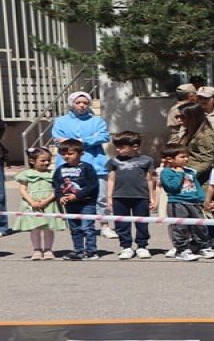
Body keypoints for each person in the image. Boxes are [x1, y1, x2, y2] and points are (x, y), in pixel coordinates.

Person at [52, 91, 113, 239]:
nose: (81, 105)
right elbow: (59, 140)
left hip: (95, 163)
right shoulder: (61, 121)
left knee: (100, 197)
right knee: (71, 194)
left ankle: (105, 225)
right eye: (78, 102)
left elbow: (104, 136)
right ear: (71, 104)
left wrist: (78, 141)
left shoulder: (97, 121)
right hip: (70, 167)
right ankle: (77, 226)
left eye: (85, 103)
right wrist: (87, 140)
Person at [105, 131, 157, 259]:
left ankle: (142, 246)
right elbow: (111, 179)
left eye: (121, 147)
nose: (118, 150)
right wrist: (109, 198)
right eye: (116, 147)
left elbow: (150, 180)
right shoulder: (114, 161)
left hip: (141, 196)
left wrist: (152, 197)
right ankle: (126, 247)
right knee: (121, 223)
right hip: (119, 196)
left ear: (135, 146)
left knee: (142, 223)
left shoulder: (147, 160)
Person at [159, 143, 209, 262]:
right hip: (177, 202)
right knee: (180, 227)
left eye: (187, 156)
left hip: (193, 202)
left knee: (199, 225)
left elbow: (196, 186)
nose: (186, 159)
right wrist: (179, 173)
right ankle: (182, 250)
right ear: (170, 159)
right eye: (182, 157)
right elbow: (172, 187)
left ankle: (202, 246)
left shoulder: (190, 172)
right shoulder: (166, 172)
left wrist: (203, 199)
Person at [15, 147, 65, 260]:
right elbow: (22, 189)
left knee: (48, 228)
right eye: (43, 160)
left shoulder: (53, 174)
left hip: (49, 203)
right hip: (32, 204)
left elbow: (57, 189)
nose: (46, 162)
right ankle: (36, 249)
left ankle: (48, 249)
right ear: (32, 161)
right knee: (35, 228)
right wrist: (31, 201)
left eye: (48, 160)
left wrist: (47, 200)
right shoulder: (26, 174)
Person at [53, 139, 98, 260]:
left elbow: (92, 185)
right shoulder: (60, 169)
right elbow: (57, 186)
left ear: (81, 153)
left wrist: (77, 195)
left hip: (87, 203)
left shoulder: (87, 168)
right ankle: (78, 251)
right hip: (70, 204)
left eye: (70, 153)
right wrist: (60, 197)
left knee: (87, 228)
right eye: (63, 154)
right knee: (75, 228)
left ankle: (91, 251)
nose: (66, 156)